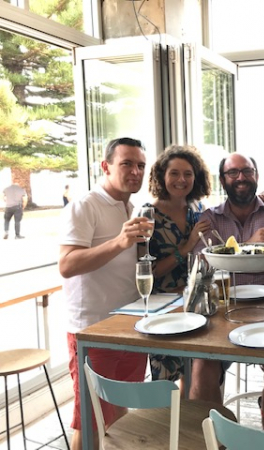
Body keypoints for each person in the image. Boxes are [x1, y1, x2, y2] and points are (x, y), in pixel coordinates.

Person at [59, 137, 152, 450]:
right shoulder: (85, 205)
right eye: (126, 163)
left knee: (120, 415)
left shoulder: (131, 207)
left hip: (128, 325)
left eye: (140, 165)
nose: (135, 171)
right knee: (90, 421)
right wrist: (120, 243)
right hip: (93, 329)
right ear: (106, 166)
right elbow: (67, 265)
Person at [194, 153, 264, 431]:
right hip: (224, 309)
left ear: (256, 175)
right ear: (223, 180)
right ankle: (217, 438)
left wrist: (230, 252)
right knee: (201, 374)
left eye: (247, 171)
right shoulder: (209, 217)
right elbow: (203, 263)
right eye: (233, 173)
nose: (241, 177)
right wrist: (249, 244)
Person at [145, 144, 222, 399]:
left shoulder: (195, 212)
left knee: (199, 377)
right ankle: (170, 436)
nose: (182, 180)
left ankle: (200, 433)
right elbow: (150, 272)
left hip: (194, 305)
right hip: (165, 310)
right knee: (166, 388)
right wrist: (186, 246)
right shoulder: (149, 215)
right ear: (161, 176)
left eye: (188, 174)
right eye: (174, 173)